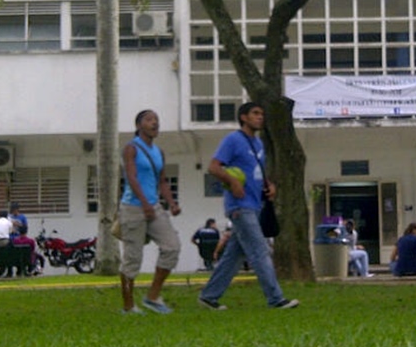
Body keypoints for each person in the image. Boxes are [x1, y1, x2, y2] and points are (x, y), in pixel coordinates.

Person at [198, 102, 298, 310]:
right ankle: (276, 299)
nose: (260, 117)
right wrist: (233, 182)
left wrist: (269, 186)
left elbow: (257, 172)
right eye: (255, 113)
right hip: (239, 206)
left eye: (262, 113)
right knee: (260, 250)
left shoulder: (258, 144)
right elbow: (214, 167)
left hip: (256, 204)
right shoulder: (233, 140)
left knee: (233, 256)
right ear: (243, 117)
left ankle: (209, 296)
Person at [119, 109, 182, 314]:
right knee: (132, 259)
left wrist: (172, 202)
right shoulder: (131, 148)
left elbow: (162, 180)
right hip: (133, 208)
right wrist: (144, 203)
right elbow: (132, 177)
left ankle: (153, 297)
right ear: (138, 126)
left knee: (171, 246)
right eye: (149, 120)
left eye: (156, 119)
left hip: (154, 207)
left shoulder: (159, 152)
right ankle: (128, 306)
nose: (154, 123)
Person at [8, 200, 39, 271]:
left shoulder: (22, 217)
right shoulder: (9, 217)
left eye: (15, 210)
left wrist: (18, 225)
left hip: (19, 237)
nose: (14, 212)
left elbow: (25, 227)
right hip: (11, 237)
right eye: (13, 211)